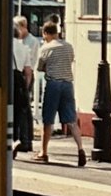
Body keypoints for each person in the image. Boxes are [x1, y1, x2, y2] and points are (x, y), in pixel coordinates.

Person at [35, 20, 86, 166]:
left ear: (45, 33)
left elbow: (39, 67)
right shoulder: (68, 46)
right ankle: (80, 149)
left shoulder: (46, 48)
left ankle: (43, 152)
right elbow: (71, 60)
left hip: (53, 84)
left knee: (48, 120)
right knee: (71, 120)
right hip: (68, 84)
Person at [11, 15, 38, 157]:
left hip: (8, 78)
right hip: (19, 80)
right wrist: (26, 87)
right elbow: (28, 71)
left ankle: (9, 140)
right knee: (20, 112)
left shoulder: (6, 46)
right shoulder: (24, 48)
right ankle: (19, 139)